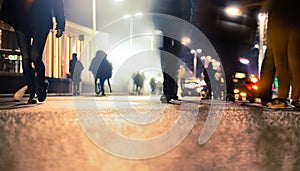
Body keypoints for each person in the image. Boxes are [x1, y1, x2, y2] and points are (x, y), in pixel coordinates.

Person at [0, 0, 65, 104]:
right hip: (21, 22)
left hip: (41, 22)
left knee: (35, 56)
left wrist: (60, 25)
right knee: (26, 58)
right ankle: (32, 93)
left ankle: (42, 84)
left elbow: (58, 3)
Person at [151, 0, 191, 103]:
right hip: (174, 25)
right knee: (172, 59)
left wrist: (156, 23)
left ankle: (169, 91)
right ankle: (170, 91)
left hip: (169, 25)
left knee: (169, 60)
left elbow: (154, 6)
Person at [265, 0, 300, 109]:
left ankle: (284, 97)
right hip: (292, 15)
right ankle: (294, 98)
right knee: (294, 60)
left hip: (279, 16)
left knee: (283, 61)